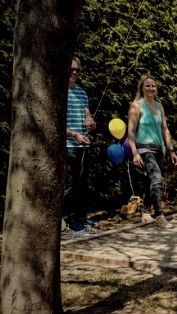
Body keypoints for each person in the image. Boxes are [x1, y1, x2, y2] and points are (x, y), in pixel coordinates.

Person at [127, 74, 177, 229]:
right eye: (147, 86)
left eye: (153, 86)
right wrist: (135, 152)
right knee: (157, 178)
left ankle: (145, 211)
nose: (151, 88)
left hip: (159, 149)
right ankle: (159, 215)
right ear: (142, 88)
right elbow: (130, 131)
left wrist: (171, 150)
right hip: (144, 147)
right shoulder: (137, 106)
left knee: (149, 180)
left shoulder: (159, 106)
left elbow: (165, 129)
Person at [64, 56, 96, 233]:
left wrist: (90, 122)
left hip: (83, 145)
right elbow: (54, 124)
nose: (74, 73)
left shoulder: (82, 93)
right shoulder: (58, 93)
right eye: (71, 69)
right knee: (70, 184)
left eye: (77, 70)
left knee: (83, 184)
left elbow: (87, 116)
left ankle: (81, 219)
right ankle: (67, 220)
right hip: (67, 145)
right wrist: (74, 134)